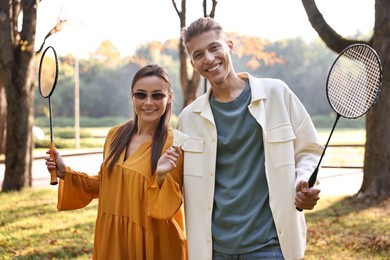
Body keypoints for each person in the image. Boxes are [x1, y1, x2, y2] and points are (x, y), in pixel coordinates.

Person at [178, 17, 323, 260]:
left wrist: (305, 180)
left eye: (214, 48)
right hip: (213, 250)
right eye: (199, 54)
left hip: (271, 246)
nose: (209, 59)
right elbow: (177, 181)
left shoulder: (277, 93)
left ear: (230, 46)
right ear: (192, 63)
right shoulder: (188, 118)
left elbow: (309, 149)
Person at [45, 64, 187, 259]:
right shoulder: (115, 135)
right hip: (113, 239)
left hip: (154, 243)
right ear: (132, 96)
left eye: (157, 95)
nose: (148, 102)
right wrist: (65, 172)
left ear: (169, 96)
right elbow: (106, 185)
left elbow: (170, 204)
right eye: (140, 94)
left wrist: (161, 176)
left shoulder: (175, 143)